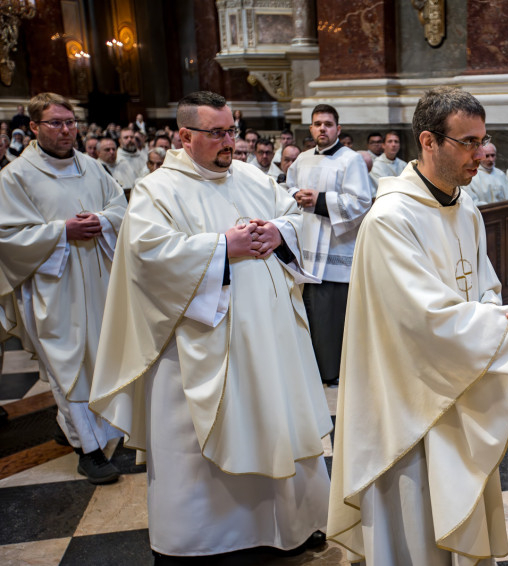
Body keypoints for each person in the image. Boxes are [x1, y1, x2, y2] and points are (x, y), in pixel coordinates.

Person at [88, 91, 333, 561]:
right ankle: (203, 542)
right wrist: (222, 246)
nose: (229, 142)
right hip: (201, 344)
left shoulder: (251, 176)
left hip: (269, 339)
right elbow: (147, 258)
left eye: (231, 130)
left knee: (274, 423)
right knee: (198, 448)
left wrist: (279, 231)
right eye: (217, 133)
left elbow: (292, 216)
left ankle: (288, 527)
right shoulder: (157, 190)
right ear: (185, 136)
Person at [327, 86, 508, 566]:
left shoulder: (465, 207)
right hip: (409, 398)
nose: (480, 154)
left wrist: (502, 317)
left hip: (459, 377)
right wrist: (507, 327)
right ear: (428, 141)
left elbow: (485, 286)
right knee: (417, 526)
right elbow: (423, 317)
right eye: (468, 142)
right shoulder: (390, 219)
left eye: (482, 141)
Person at [0, 92, 127, 484]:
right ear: (34, 127)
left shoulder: (92, 166)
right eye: (55, 123)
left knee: (100, 358)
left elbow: (121, 207)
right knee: (67, 364)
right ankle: (89, 451)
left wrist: (104, 221)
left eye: (71, 122)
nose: (66, 130)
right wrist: (61, 231)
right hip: (52, 285)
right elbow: (6, 236)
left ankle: (74, 424)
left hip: (99, 280)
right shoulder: (15, 176)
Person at [285, 104, 371, 387]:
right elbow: (286, 189)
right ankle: (310, 371)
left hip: (336, 253)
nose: (322, 128)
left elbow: (361, 202)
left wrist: (320, 200)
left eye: (328, 124)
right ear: (311, 128)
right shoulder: (301, 160)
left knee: (331, 318)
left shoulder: (351, 160)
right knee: (308, 315)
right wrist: (295, 195)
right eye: (317, 124)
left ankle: (331, 372)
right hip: (305, 251)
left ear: (338, 129)